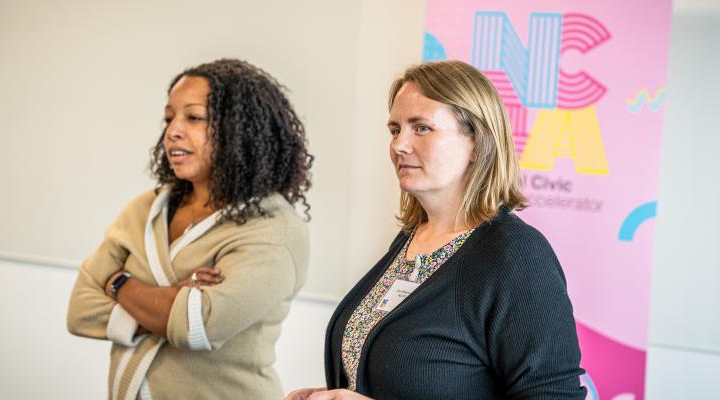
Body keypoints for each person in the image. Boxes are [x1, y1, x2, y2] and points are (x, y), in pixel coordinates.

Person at [287, 60, 585, 400]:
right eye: (395, 129)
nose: (399, 145)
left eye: (421, 128)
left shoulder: (516, 255)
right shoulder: (412, 238)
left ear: (477, 142)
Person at [67, 58, 312, 400]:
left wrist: (117, 283)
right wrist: (170, 307)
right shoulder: (146, 209)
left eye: (194, 117)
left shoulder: (273, 228)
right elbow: (80, 311)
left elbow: (197, 327)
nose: (173, 131)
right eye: (169, 118)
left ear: (239, 129)